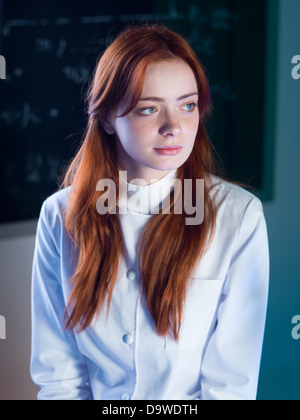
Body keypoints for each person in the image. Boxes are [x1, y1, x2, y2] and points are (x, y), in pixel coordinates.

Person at [30, 24, 269, 400]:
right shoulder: (60, 215)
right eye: (149, 108)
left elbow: (230, 388)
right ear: (108, 117)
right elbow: (59, 378)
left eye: (187, 105)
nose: (174, 127)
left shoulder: (239, 217)